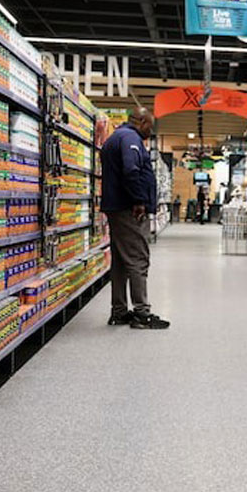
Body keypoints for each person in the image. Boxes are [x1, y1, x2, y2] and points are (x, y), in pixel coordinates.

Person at [100, 107, 170, 330]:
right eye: (150, 125)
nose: (151, 130)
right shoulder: (130, 138)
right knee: (139, 258)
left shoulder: (116, 137)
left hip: (116, 206)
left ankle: (119, 311)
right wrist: (139, 200)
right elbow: (131, 170)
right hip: (129, 209)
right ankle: (142, 313)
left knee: (121, 261)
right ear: (141, 121)